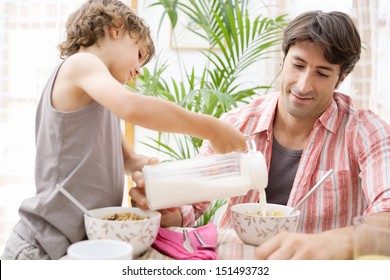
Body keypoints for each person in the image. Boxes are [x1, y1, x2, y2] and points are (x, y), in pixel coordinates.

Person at [131, 10, 390, 259]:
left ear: (341, 79)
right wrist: (165, 214)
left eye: (322, 73)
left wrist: (331, 242)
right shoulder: (237, 125)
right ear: (283, 59)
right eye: (297, 65)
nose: (303, 85)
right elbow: (189, 208)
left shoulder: (364, 131)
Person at [1, 0, 246, 260]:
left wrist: (154, 175)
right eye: (139, 53)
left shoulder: (99, 100)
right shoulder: (81, 64)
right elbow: (133, 107)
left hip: (72, 247)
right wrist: (212, 129)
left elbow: (128, 160)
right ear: (116, 27)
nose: (139, 71)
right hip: (39, 246)